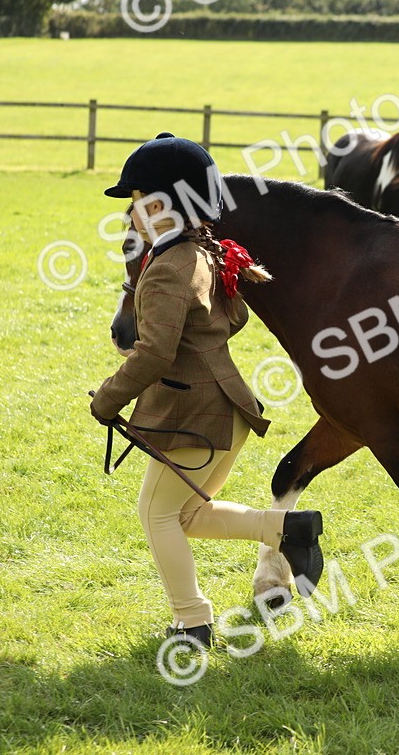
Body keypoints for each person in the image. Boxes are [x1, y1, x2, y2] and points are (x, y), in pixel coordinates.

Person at [89, 134, 324, 649]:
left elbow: (153, 354)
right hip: (227, 411)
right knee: (188, 515)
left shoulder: (167, 269)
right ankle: (287, 529)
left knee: (156, 515)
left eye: (137, 202)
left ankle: (192, 621)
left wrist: (107, 399)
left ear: (163, 208)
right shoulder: (203, 253)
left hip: (196, 416)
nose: (130, 215)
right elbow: (230, 320)